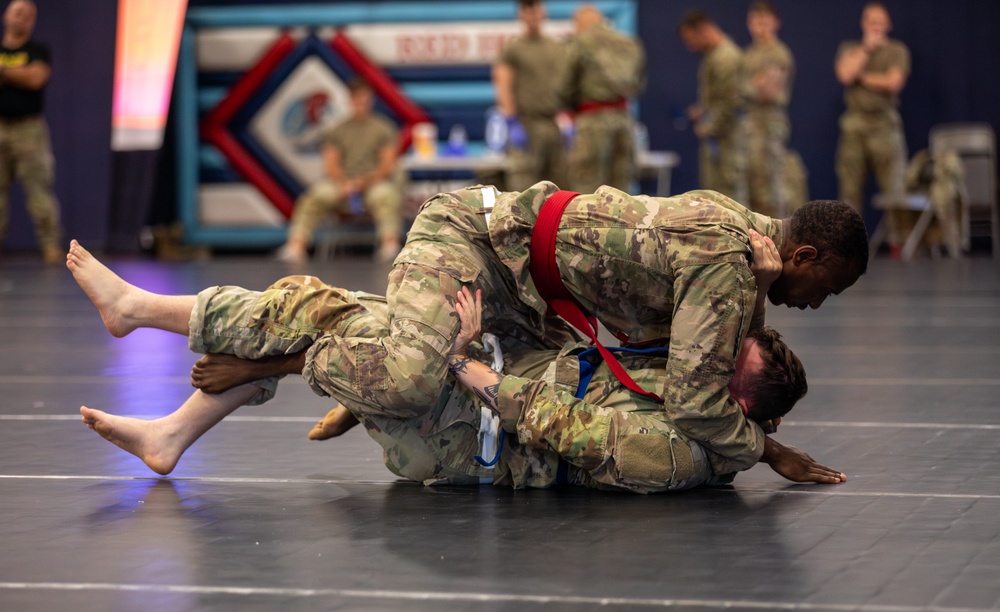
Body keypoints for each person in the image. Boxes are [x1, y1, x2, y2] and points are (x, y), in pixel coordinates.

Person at [68, 173, 867, 481]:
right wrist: (773, 453)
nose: (818, 306)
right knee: (405, 369)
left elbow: (701, 352)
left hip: (535, 308)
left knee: (380, 340)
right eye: (825, 287)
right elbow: (697, 403)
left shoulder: (743, 252)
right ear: (801, 252)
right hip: (476, 241)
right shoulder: (732, 269)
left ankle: (177, 428)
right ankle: (142, 311)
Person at [275, 78, 403, 263]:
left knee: (386, 194)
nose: (360, 103)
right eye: (356, 99)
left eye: (364, 99)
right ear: (349, 100)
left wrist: (363, 182)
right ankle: (296, 246)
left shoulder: (383, 128)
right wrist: (346, 183)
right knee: (316, 195)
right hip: (342, 185)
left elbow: (387, 165)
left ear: (371, 100)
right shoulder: (337, 130)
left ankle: (389, 245)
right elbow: (330, 165)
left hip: (373, 184)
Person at [834, 2, 910, 256]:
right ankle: (850, 245)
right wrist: (865, 51)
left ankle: (899, 243)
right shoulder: (850, 49)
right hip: (854, 125)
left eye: (880, 22)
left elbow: (893, 82)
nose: (875, 27)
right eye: (871, 22)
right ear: (863, 24)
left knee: (895, 187)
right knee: (850, 188)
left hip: (885, 125)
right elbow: (845, 74)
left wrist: (863, 78)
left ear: (888, 25)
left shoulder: (897, 50)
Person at [558, 5, 645, 193]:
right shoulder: (628, 43)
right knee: (621, 189)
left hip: (592, 120)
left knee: (587, 186)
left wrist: (571, 107)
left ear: (580, 23)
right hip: (624, 120)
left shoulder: (581, 42)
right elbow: (638, 84)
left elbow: (565, 84)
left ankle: (589, 224)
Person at [0, 0, 60, 264]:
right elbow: (27, 76)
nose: (21, 18)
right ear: (6, 16)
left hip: (29, 129)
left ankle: (51, 246)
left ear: (33, 21)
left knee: (39, 190)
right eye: (17, 12)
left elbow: (36, 78)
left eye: (27, 15)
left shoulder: (38, 50)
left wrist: (3, 71)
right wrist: (18, 74)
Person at [492, 0, 567, 191]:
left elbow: (564, 85)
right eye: (528, 11)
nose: (533, 16)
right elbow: (503, 85)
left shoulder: (555, 48)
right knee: (522, 191)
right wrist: (511, 122)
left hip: (552, 125)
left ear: (543, 12)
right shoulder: (514, 49)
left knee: (558, 190)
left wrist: (567, 119)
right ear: (521, 15)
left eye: (536, 10)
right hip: (526, 125)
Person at [678, 10, 747, 204]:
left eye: (691, 39)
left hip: (728, 142)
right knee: (717, 197)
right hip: (720, 143)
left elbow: (730, 104)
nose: (690, 47)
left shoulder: (725, 58)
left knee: (729, 200)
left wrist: (708, 127)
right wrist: (703, 110)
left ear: (704, 31)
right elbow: (719, 98)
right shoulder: (715, 56)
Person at [743, 1, 795, 218]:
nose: (760, 25)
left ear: (776, 23)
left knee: (770, 188)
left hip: (769, 124)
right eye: (755, 20)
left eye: (765, 20)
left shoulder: (779, 53)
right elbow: (751, 86)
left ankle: (779, 241)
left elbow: (767, 90)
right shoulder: (748, 54)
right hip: (748, 124)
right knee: (750, 186)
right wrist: (751, 84)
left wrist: (744, 86)